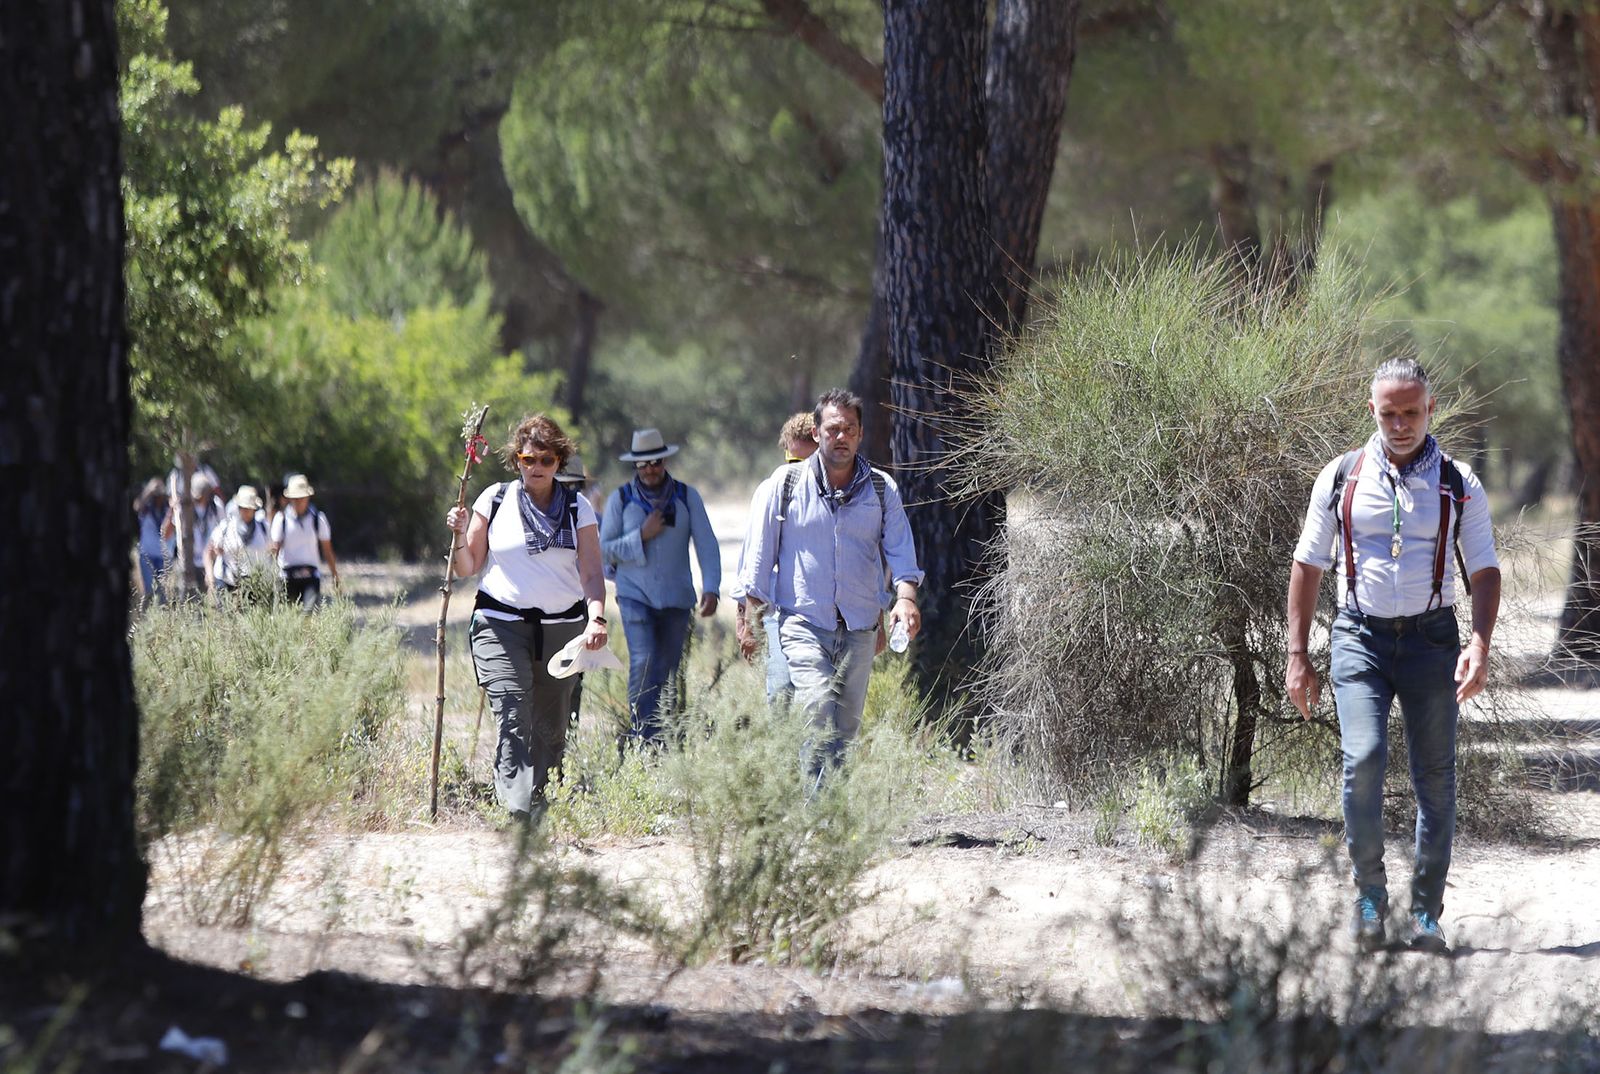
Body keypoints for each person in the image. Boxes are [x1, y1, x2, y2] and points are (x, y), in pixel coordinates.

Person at [1286, 357, 1500, 955]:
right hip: (1359, 636)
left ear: (1430, 410)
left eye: (1411, 412)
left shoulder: (1459, 483)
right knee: (1364, 760)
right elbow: (1307, 566)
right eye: (1389, 414)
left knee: (1435, 776)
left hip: (1433, 641)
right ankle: (1370, 899)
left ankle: (1426, 913)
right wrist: (1297, 653)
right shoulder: (1341, 477)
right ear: (1373, 412)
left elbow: (1484, 571)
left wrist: (1479, 644)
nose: (1400, 424)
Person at [739, 389, 924, 780]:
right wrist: (749, 621)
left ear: (860, 435)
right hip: (803, 622)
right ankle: (817, 820)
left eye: (850, 430)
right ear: (817, 431)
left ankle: (832, 822)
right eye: (833, 429)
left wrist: (904, 599)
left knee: (844, 732)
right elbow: (758, 560)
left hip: (858, 627)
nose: (841, 437)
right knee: (816, 707)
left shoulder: (880, 489)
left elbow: (901, 553)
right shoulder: (785, 485)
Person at [446, 415, 609, 820]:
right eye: (527, 458)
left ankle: (541, 804)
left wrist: (597, 618)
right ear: (515, 459)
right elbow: (467, 567)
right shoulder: (494, 499)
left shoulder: (577, 507)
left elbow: (591, 573)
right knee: (512, 709)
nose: (536, 467)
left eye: (546, 460)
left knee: (553, 724)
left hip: (563, 629)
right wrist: (458, 534)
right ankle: (517, 811)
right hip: (499, 624)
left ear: (560, 460)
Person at [601, 427, 722, 745]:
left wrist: (711, 587)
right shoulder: (621, 499)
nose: (650, 469)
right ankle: (644, 737)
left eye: (656, 462)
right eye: (643, 464)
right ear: (635, 466)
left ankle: (667, 739)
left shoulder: (686, 496)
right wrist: (641, 534)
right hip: (634, 595)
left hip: (677, 598)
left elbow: (706, 543)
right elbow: (604, 549)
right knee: (643, 662)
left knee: (669, 670)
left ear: (664, 462)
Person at [733, 412, 820, 703]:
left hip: (825, 619)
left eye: (807, 463)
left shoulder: (839, 496)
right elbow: (750, 560)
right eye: (792, 462)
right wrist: (743, 620)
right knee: (781, 701)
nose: (797, 472)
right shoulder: (770, 490)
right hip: (775, 616)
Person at [269, 473, 339, 607]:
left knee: (308, 615)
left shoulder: (318, 519)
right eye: (295, 498)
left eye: (301, 497)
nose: (298, 501)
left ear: (307, 497)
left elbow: (327, 550)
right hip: (286, 577)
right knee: (289, 618)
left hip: (311, 576)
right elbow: (275, 549)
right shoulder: (281, 519)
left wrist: (335, 575)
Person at [162, 471, 226, 593]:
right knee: (188, 601)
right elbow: (165, 534)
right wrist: (171, 510)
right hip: (187, 564)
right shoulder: (183, 507)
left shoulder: (216, 507)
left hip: (211, 564)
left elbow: (224, 530)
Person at [205, 485, 270, 596]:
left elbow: (271, 552)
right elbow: (208, 552)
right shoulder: (225, 527)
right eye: (243, 507)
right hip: (226, 582)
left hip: (253, 584)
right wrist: (210, 579)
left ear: (254, 509)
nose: (245, 511)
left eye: (249, 508)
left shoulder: (264, 528)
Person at [133, 478, 171, 606]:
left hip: (162, 556)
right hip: (147, 555)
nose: (158, 498)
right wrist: (149, 490)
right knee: (149, 591)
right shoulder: (146, 509)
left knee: (162, 593)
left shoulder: (167, 509)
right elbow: (136, 506)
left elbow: (167, 530)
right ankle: (146, 618)